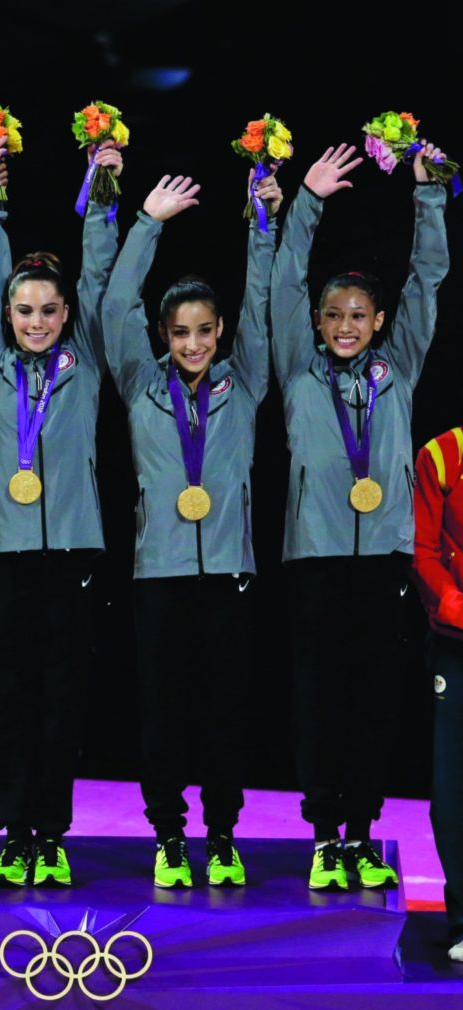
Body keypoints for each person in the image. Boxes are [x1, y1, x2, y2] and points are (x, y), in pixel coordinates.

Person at [270, 142, 449, 889]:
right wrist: (307, 203)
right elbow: (283, 281)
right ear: (316, 322)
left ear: (379, 322)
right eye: (334, 315)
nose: (346, 325)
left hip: (383, 560)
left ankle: (362, 834)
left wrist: (429, 195)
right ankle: (324, 836)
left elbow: (427, 277)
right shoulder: (296, 368)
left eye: (358, 316)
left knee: (372, 703)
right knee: (319, 703)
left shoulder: (397, 367)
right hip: (315, 559)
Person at [0, 133, 121, 886]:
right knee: (11, 697)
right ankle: (15, 832)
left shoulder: (86, 357)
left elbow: (103, 275)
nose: (37, 321)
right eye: (24, 311)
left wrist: (104, 194)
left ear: (66, 312)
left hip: (73, 550)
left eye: (49, 310)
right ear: (7, 314)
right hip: (6, 551)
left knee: (63, 698)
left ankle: (50, 834)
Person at [102, 169, 281, 887]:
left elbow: (262, 302)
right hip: (159, 577)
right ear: (162, 335)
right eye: (180, 332)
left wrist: (263, 226)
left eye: (205, 331)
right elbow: (115, 303)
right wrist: (147, 223)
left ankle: (222, 834)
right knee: (164, 715)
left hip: (230, 575)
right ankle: (170, 836)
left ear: (220, 331)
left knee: (224, 714)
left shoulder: (247, 381)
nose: (194, 343)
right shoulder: (140, 384)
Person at [413, 427, 463, 959]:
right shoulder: (443, 454)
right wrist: (456, 608)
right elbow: (423, 551)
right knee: (453, 795)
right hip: (456, 646)